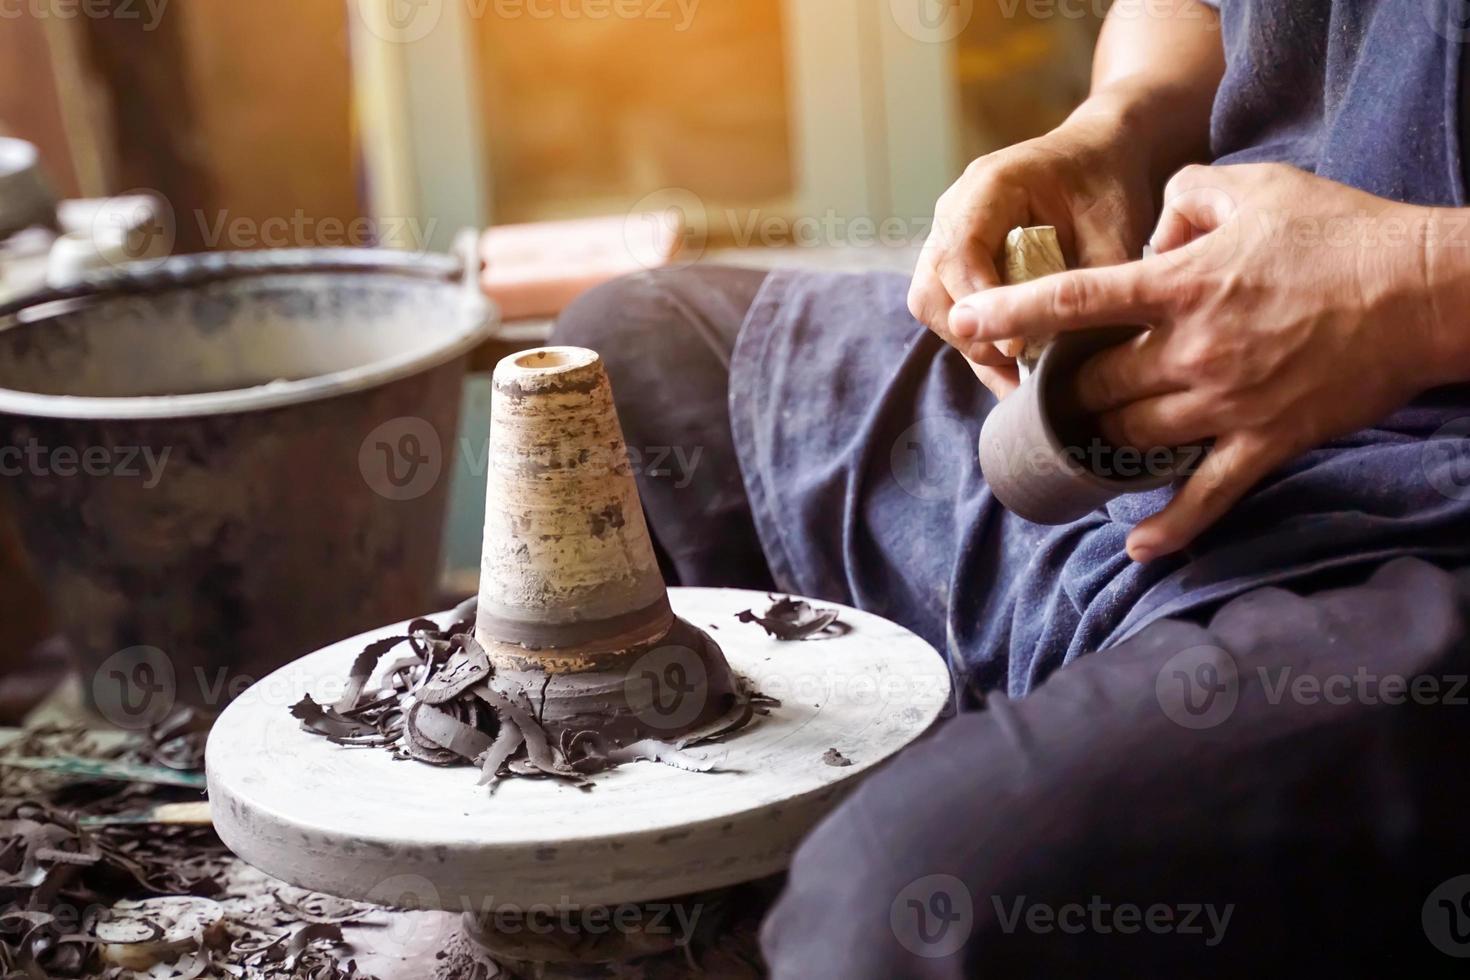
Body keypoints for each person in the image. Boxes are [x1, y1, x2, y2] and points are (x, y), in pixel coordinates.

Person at [554, 0, 1470, 974]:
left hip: (1432, 512)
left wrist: (1414, 280)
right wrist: (1114, 125)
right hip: (1210, 357)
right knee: (624, 364)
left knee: (908, 895)